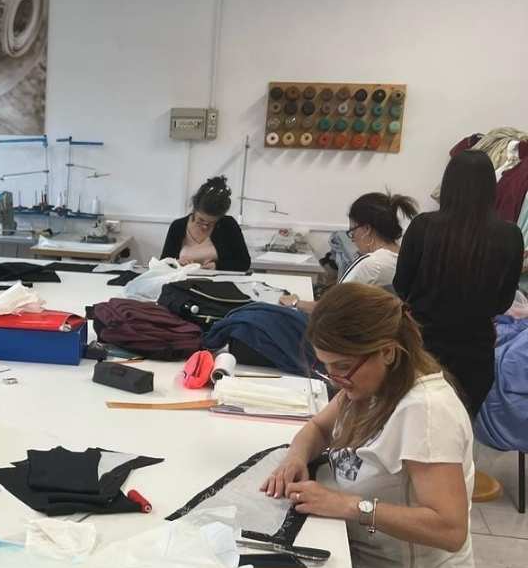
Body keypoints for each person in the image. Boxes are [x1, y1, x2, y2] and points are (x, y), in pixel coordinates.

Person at [261, 283, 477, 568]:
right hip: (365, 558)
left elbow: (450, 529)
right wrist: (296, 457)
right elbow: (318, 428)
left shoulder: (426, 413)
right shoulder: (370, 383)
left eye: (342, 367)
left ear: (387, 352)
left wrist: (347, 505)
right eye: (326, 366)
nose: (335, 378)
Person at [393, 150, 523, 416]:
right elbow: (503, 302)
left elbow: (401, 285)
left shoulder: (422, 226)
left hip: (421, 345)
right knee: (458, 428)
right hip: (475, 353)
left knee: (411, 423)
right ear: (491, 188)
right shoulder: (510, 235)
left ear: (448, 184)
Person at [281, 190, 417, 312]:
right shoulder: (400, 255)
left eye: (352, 231)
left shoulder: (372, 264)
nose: (352, 238)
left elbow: (329, 308)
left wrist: (295, 302)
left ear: (367, 229)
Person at [160, 175, 250, 271]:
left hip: (218, 280)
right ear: (194, 209)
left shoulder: (228, 225)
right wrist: (176, 264)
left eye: (212, 223)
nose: (205, 226)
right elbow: (162, 263)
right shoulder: (177, 226)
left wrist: (218, 266)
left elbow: (244, 263)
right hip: (183, 279)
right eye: (201, 220)